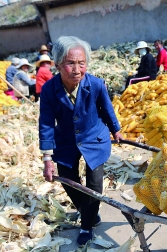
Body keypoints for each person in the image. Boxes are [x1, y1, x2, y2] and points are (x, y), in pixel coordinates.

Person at [39, 36, 123, 247]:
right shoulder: (49, 90)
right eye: (70, 63)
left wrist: (116, 130)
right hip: (66, 140)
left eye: (81, 63)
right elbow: (47, 123)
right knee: (69, 180)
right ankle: (88, 213)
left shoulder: (95, 84)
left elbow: (106, 108)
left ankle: (86, 225)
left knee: (94, 183)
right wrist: (47, 158)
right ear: (58, 64)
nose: (77, 69)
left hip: (94, 138)